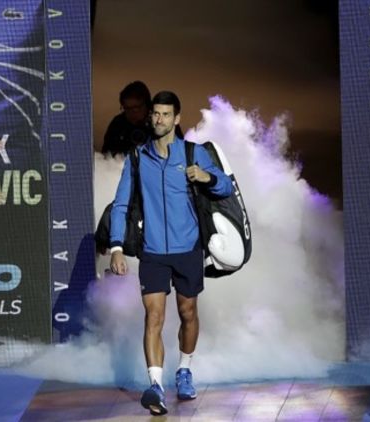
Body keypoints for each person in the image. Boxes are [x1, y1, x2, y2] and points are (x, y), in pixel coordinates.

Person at [109, 91, 232, 415]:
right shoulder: (138, 158)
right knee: (154, 316)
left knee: (188, 312)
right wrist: (117, 247)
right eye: (155, 114)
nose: (159, 119)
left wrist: (207, 176)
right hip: (152, 252)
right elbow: (121, 204)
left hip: (188, 249)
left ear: (176, 119)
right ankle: (155, 386)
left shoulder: (193, 153)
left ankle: (184, 370)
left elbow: (226, 186)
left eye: (166, 114)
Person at [102, 81, 153, 156]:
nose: (130, 113)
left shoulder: (160, 122)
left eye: (136, 108)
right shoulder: (118, 124)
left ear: (147, 105)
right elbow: (106, 154)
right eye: (127, 108)